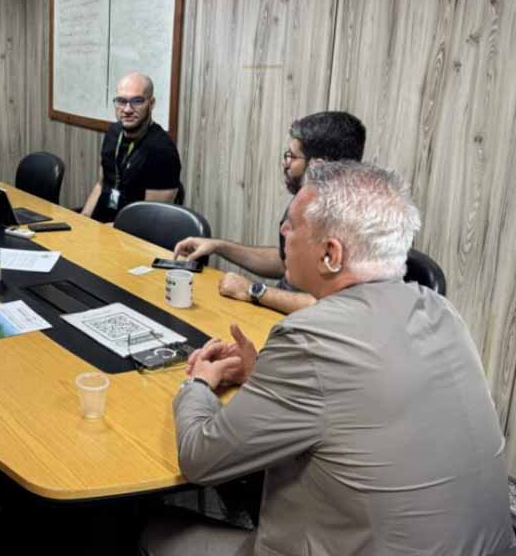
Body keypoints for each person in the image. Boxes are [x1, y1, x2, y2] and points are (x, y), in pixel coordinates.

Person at [142, 161, 514, 555]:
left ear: (331, 254)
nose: (283, 231)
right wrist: (262, 376)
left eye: (293, 225)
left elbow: (200, 458)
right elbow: (361, 404)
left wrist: (197, 383)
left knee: (155, 530)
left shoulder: (308, 338)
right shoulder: (441, 310)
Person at [174, 111, 365, 314]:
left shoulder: (351, 220)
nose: (285, 163)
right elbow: (285, 261)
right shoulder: (309, 196)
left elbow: (333, 308)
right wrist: (218, 246)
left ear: (319, 165)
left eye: (292, 157)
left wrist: (253, 291)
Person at [81, 72, 181, 222]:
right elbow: (101, 185)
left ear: (151, 103)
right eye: (121, 101)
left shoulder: (163, 151)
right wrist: (83, 221)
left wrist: (103, 232)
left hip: (130, 236)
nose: (127, 109)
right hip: (100, 227)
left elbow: (150, 221)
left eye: (137, 101)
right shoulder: (113, 133)